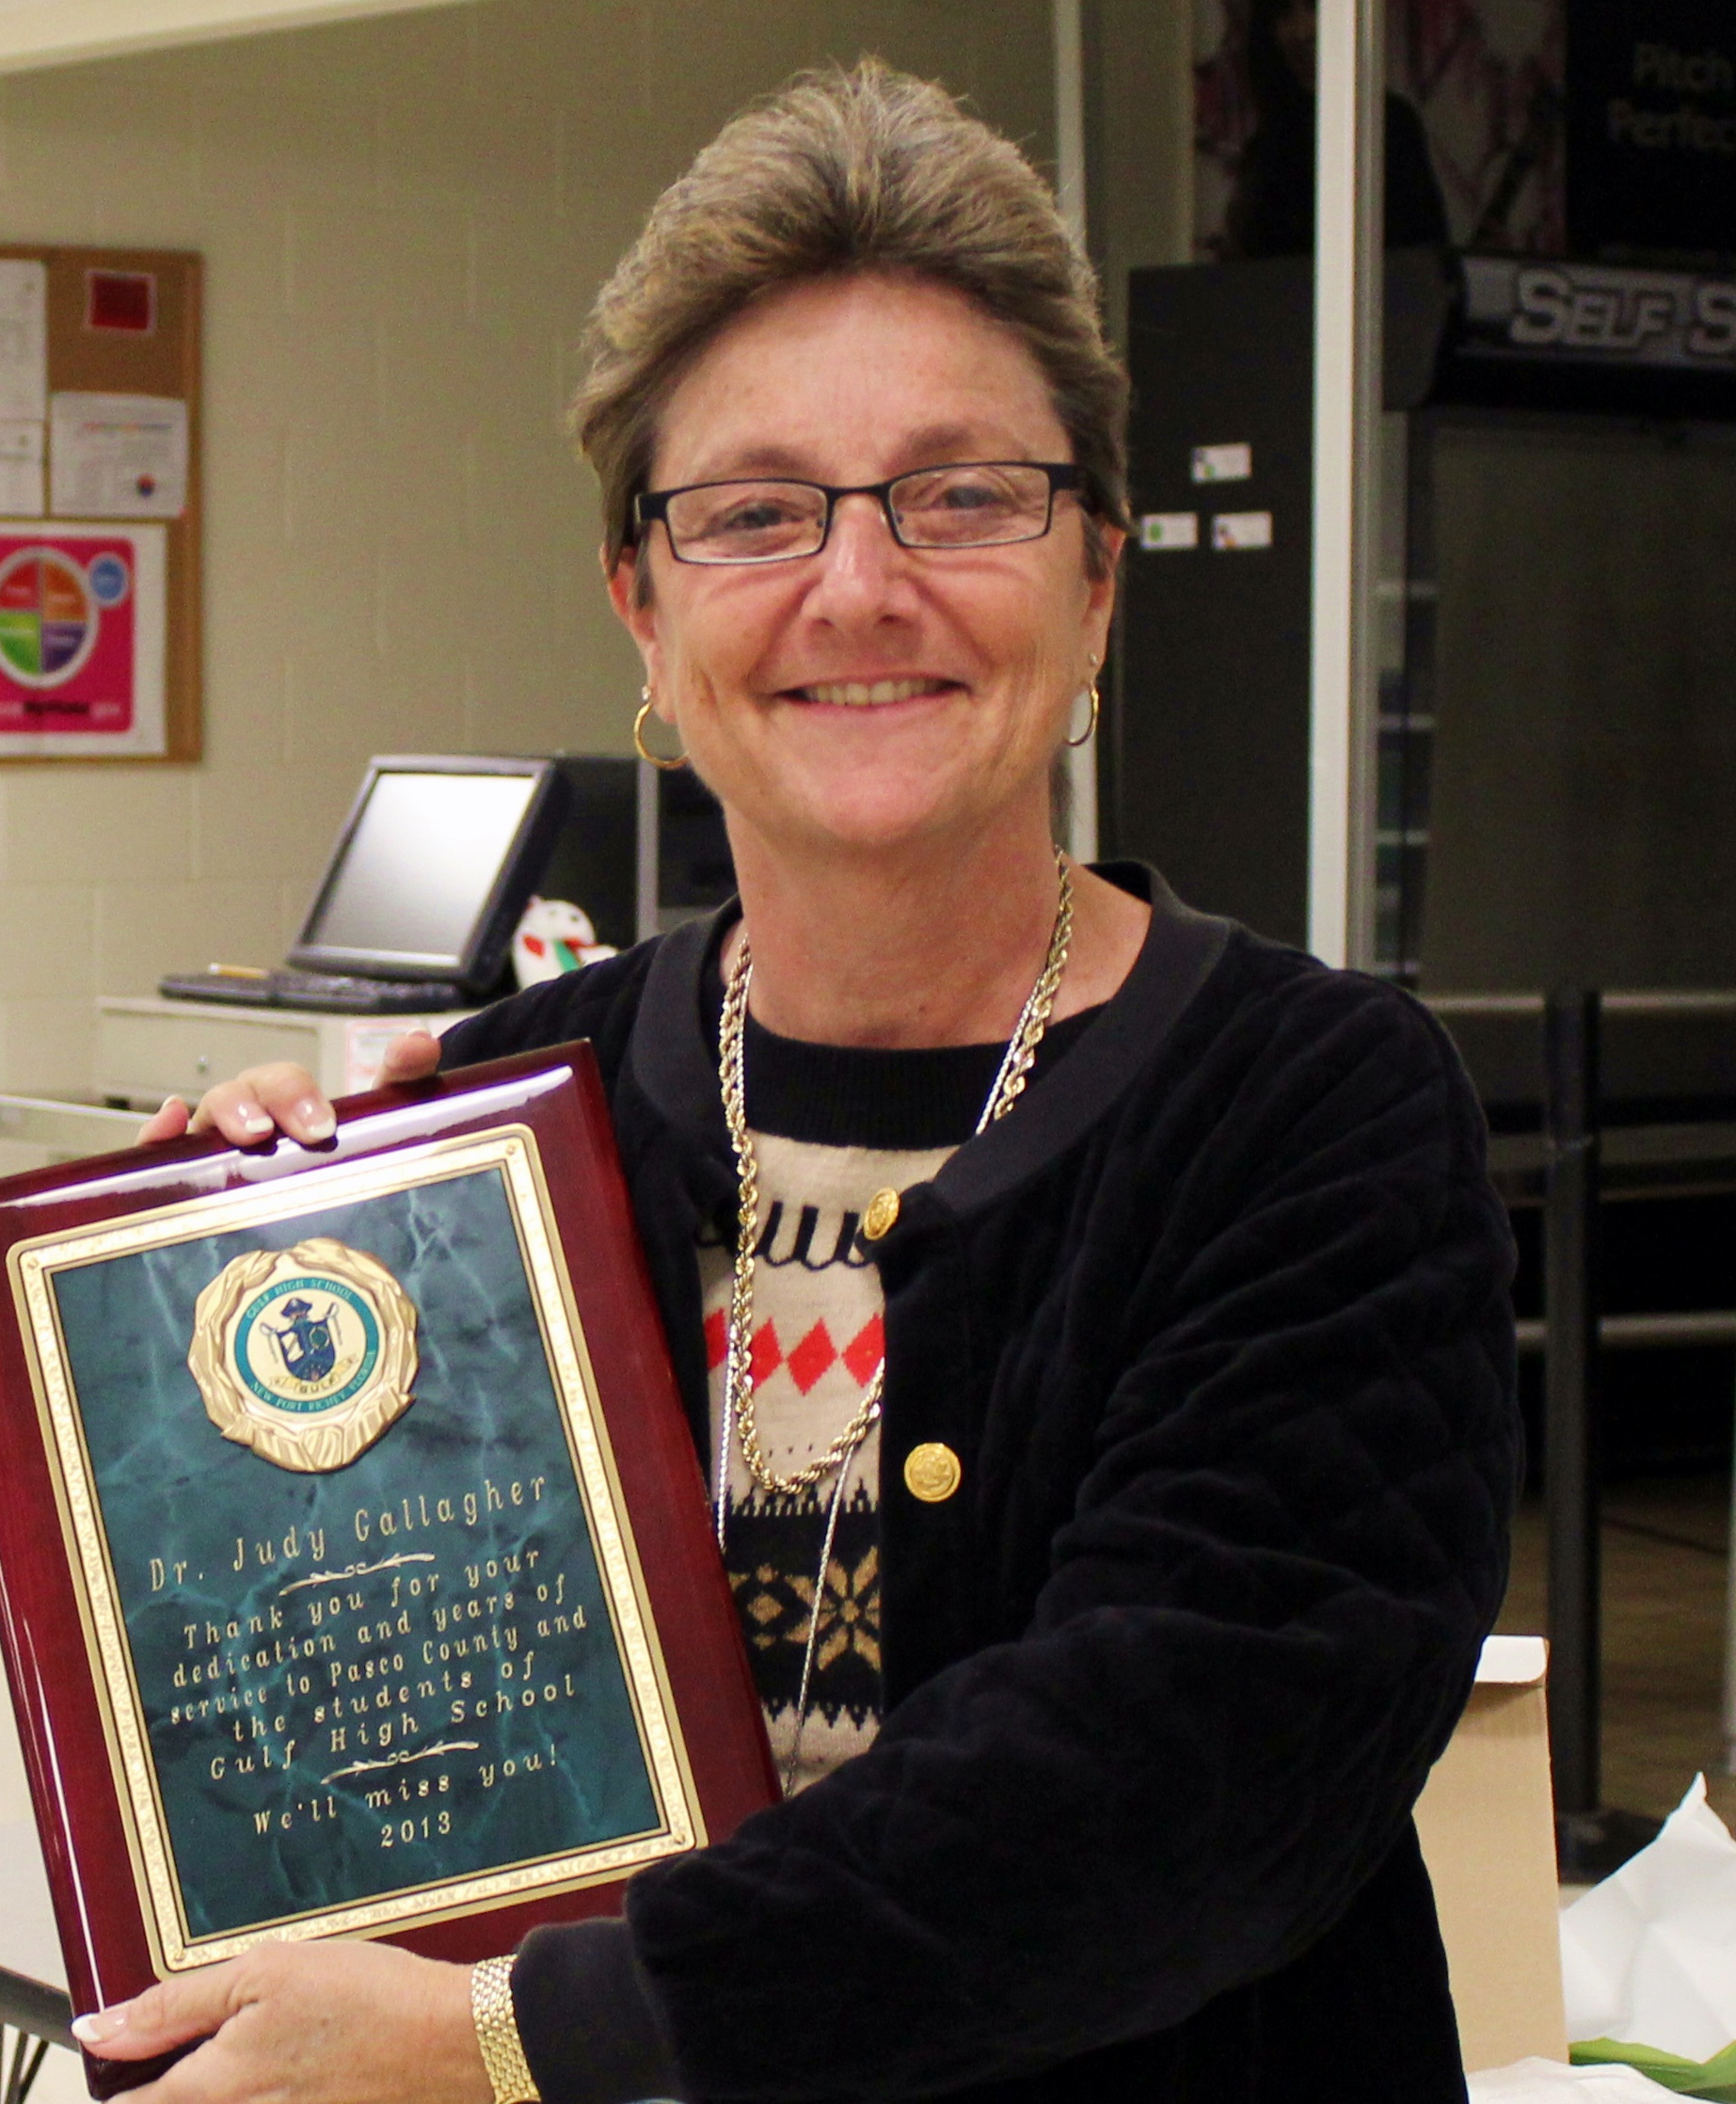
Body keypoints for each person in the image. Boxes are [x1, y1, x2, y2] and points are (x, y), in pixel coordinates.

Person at [96, 59, 1517, 2104]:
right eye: (754, 511)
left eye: (963, 494)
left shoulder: (1312, 1115)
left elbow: (1177, 1773)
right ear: (640, 604)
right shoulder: (506, 1120)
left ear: (1097, 580)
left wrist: (521, 2034)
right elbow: (298, 1702)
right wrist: (183, 1288)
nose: (858, 586)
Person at [1223, 0, 1451, 260]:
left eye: (1314, 7)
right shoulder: (1267, 146)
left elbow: (1423, 257)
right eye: (1283, 13)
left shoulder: (1388, 125)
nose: (1302, 32)